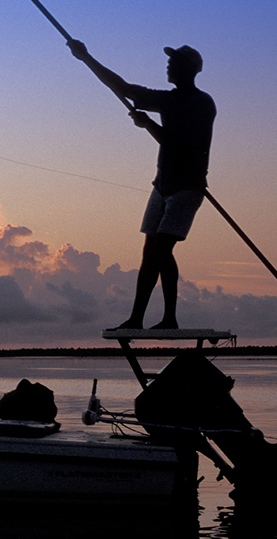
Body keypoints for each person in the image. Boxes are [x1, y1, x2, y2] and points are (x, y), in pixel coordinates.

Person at [67, 40, 215, 330]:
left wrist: (148, 125)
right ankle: (136, 318)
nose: (169, 65)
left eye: (175, 61)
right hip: (161, 186)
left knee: (162, 249)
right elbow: (122, 88)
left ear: (190, 70)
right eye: (170, 60)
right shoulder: (168, 100)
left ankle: (169, 318)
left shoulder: (202, 103)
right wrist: (86, 57)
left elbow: (181, 147)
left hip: (187, 188)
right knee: (150, 252)